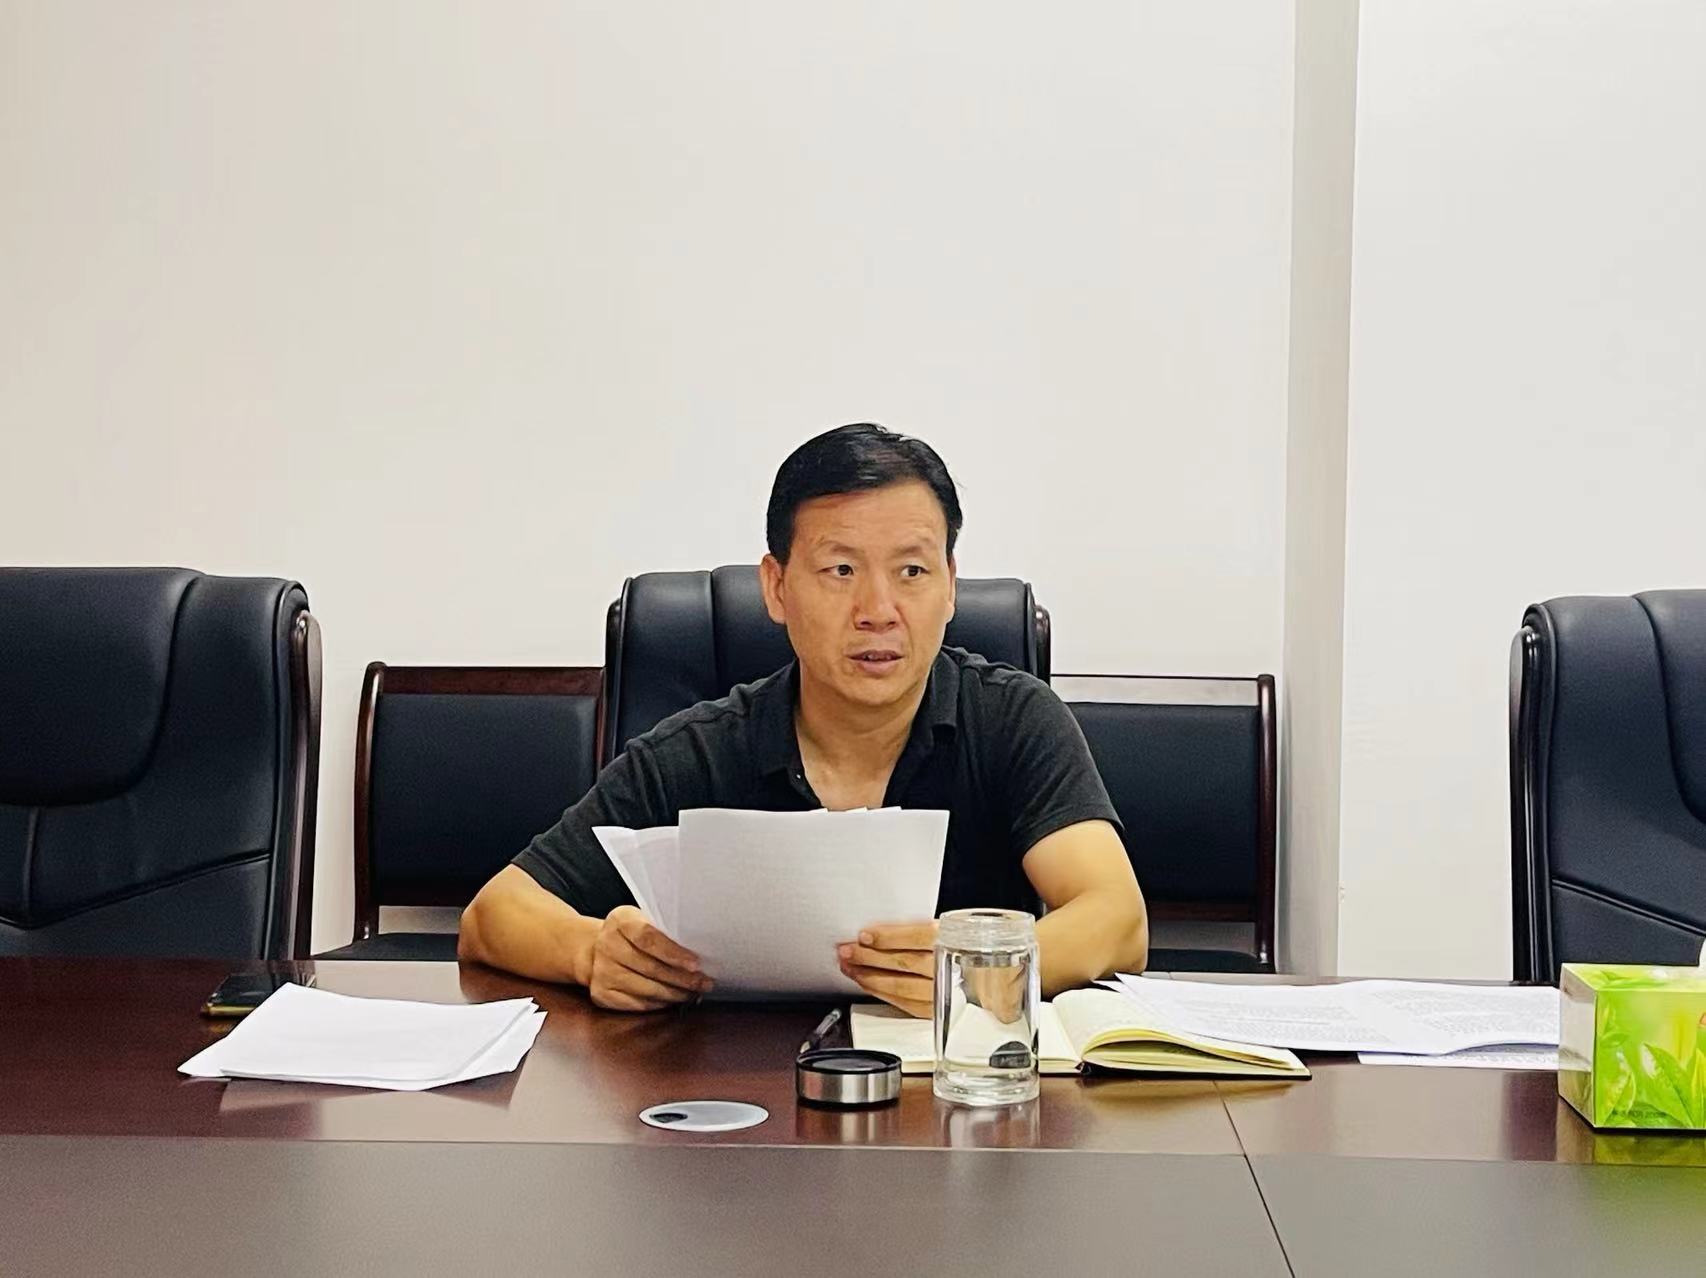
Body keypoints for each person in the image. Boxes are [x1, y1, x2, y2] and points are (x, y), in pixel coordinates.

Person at [459, 423, 1147, 1015]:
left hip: (955, 1101)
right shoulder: (699, 751)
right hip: (727, 1099)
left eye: (912, 571)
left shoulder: (1013, 719)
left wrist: (981, 967)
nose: (879, 610)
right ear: (776, 587)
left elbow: (1117, 921)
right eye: (841, 570)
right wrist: (590, 951)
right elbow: (494, 916)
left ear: (949, 587)